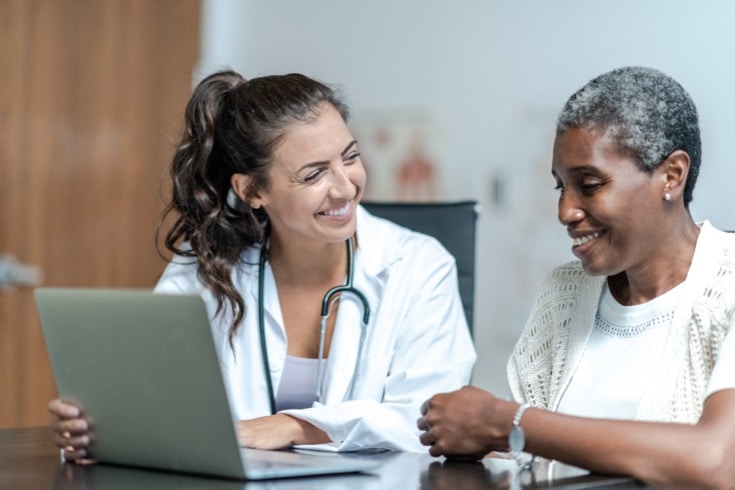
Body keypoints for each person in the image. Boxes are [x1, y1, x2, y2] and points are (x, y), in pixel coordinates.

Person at [48, 70, 476, 461]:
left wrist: (291, 426)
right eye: (314, 175)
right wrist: (101, 429)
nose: (345, 187)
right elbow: (149, 399)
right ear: (252, 189)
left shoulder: (418, 265)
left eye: (349, 156)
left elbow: (433, 418)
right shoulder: (206, 270)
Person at [417, 66, 735, 488]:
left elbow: (716, 463)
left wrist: (504, 420)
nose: (565, 212)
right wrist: (481, 438)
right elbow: (529, 451)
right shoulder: (564, 294)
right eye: (559, 188)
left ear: (671, 176)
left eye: (589, 184)